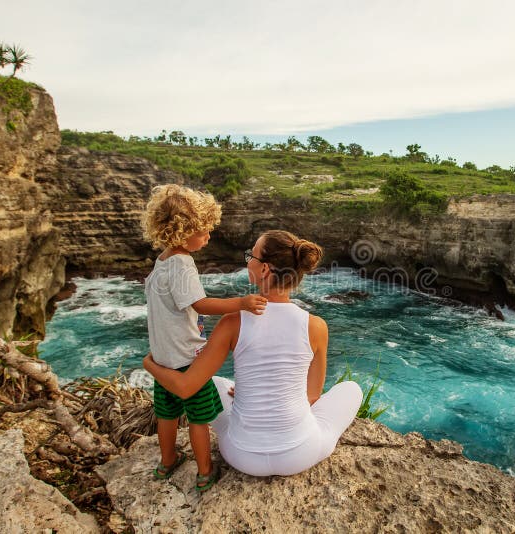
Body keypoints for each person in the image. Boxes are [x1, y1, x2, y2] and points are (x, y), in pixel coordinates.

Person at [143, 230, 363, 480]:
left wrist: (149, 364)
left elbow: (185, 388)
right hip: (300, 453)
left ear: (265, 269)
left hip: (241, 456)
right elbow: (312, 395)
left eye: (251, 256)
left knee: (214, 384)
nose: (247, 260)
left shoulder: (232, 322)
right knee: (351, 389)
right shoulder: (316, 326)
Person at [140, 184, 267, 491]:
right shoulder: (183, 264)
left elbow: (173, 306)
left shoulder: (163, 260)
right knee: (198, 419)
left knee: (167, 415)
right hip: (187, 359)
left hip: (163, 357)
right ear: (183, 233)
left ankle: (167, 462)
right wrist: (241, 303)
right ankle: (205, 472)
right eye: (204, 231)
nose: (209, 236)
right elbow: (200, 304)